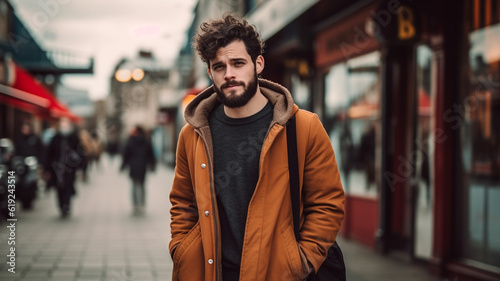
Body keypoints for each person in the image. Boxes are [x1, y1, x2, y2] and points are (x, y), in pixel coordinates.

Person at [169, 13, 345, 281]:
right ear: (209, 72)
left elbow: (327, 204)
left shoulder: (303, 127)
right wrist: (182, 249)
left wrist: (299, 262)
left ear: (258, 63)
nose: (229, 74)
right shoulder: (192, 135)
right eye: (219, 66)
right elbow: (183, 203)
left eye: (238, 63)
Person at [46, 117, 83, 217]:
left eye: (66, 125)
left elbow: (80, 152)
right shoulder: (56, 138)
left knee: (68, 186)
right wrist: (48, 168)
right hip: (57, 168)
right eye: (63, 125)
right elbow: (49, 153)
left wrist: (78, 165)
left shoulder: (74, 138)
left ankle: (67, 204)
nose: (64, 127)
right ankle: (61, 205)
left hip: (70, 169)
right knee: (59, 188)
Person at [120, 125, 156, 215]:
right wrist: (152, 165)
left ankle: (135, 205)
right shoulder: (146, 141)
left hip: (133, 166)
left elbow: (126, 154)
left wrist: (123, 166)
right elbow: (151, 154)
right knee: (142, 185)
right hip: (143, 166)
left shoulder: (131, 141)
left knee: (134, 185)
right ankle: (142, 204)